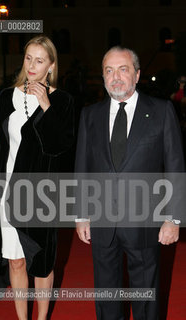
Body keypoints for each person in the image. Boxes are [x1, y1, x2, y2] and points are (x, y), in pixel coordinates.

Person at [75, 46, 185, 320]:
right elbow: (83, 169)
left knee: (146, 295)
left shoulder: (161, 111)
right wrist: (80, 214)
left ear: (136, 75)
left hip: (145, 222)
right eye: (109, 71)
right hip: (102, 222)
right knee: (106, 295)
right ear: (103, 77)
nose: (116, 77)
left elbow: (175, 166)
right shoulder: (90, 115)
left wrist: (173, 217)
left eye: (123, 69)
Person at [0, 34, 74, 319]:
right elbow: (3, 147)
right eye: (28, 58)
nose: (32, 65)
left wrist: (46, 106)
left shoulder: (62, 101)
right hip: (8, 191)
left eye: (40, 60)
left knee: (41, 262)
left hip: (42, 195)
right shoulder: (7, 97)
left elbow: (60, 147)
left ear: (51, 65)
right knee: (15, 262)